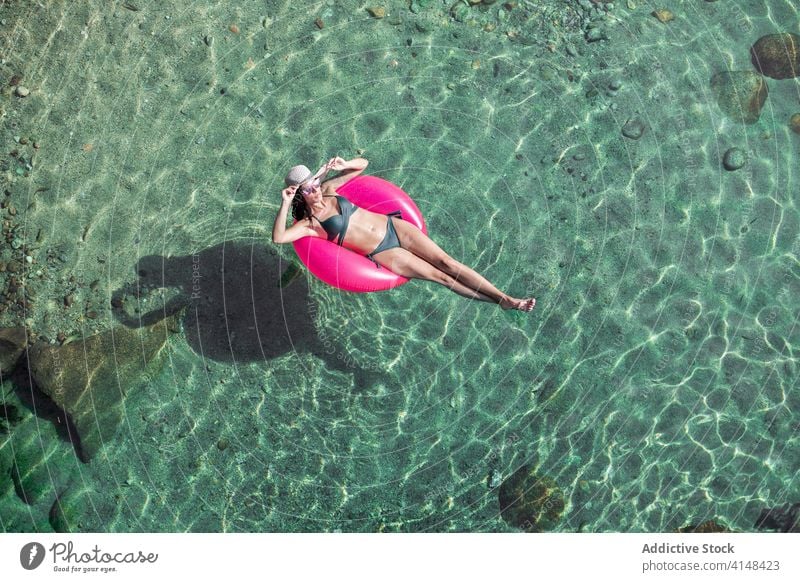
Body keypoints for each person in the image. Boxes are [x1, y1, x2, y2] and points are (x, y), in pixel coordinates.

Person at [272, 156, 536, 312]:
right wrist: (285, 204)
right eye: (307, 189)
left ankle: (504, 298)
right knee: (441, 277)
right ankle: (501, 302)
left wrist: (345, 163)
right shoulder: (310, 223)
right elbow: (279, 237)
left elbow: (362, 165)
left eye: (314, 183)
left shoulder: (330, 189)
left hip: (394, 227)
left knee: (449, 263)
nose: (315, 190)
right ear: (298, 194)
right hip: (384, 252)